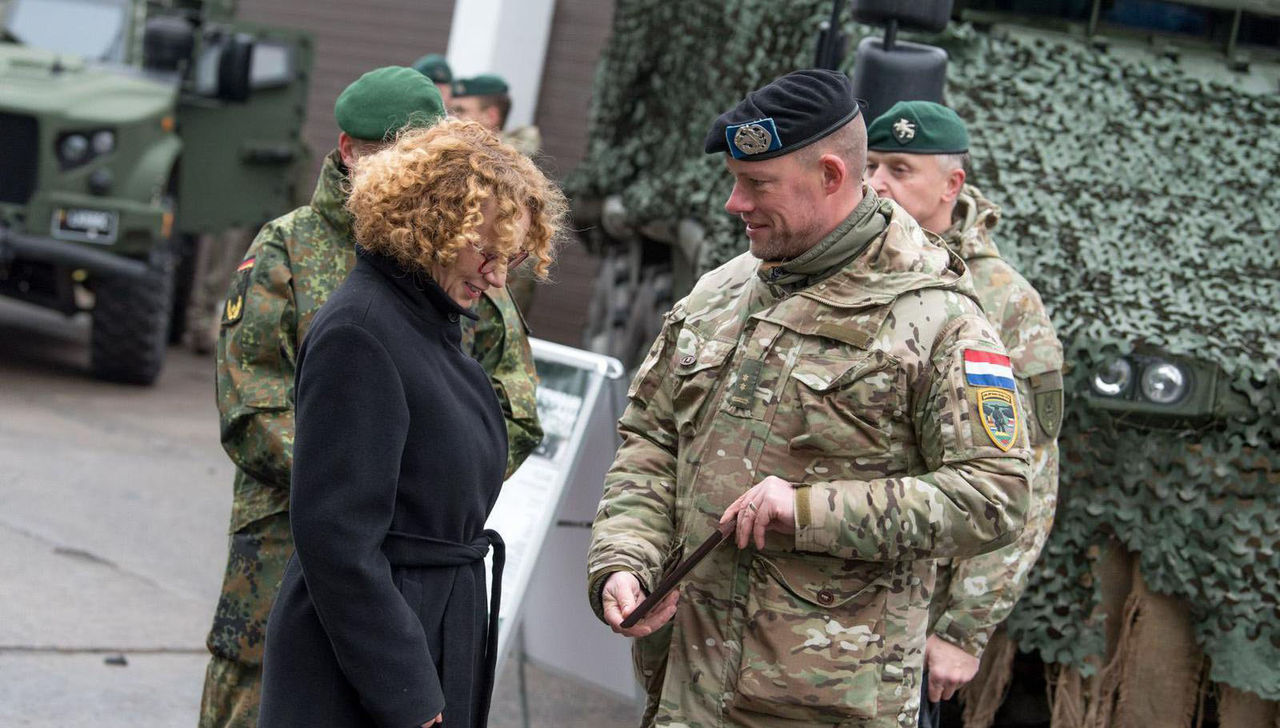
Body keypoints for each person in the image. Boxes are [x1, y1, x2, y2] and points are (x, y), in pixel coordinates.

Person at [586, 69, 1032, 727]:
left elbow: (996, 495)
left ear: (830, 176)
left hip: (817, 703)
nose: (734, 203)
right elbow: (653, 439)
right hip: (682, 689)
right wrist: (626, 558)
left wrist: (806, 510)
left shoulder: (939, 317)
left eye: (757, 183)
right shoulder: (719, 293)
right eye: (734, 180)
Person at [198, 67, 543, 728]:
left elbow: (512, 405)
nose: (498, 273)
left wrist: (439, 487)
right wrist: (363, 473)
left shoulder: (456, 276)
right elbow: (252, 403)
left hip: (417, 577)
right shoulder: (295, 252)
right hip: (301, 550)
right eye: (384, 155)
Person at [864, 101, 1063, 727]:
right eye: (870, 166)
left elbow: (1026, 478)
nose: (877, 183)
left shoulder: (1002, 301)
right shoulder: (843, 264)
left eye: (899, 169)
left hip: (913, 609)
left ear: (952, 184)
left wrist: (964, 630)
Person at [451, 73, 542, 314]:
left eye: (462, 110)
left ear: (491, 116)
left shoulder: (513, 187)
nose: (453, 118)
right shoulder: (457, 168)